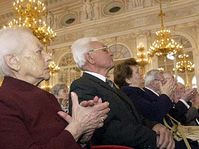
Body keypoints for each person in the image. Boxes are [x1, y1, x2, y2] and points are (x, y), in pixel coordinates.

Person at [0, 27, 110, 149]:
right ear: (13, 61)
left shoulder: (47, 97)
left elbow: (63, 139)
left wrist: (84, 132)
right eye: (39, 51)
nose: (49, 57)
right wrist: (76, 127)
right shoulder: (4, 102)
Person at [70, 37, 175, 149]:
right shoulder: (82, 85)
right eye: (105, 50)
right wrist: (153, 137)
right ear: (90, 57)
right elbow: (106, 130)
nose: (111, 53)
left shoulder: (108, 84)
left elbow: (135, 117)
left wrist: (155, 125)